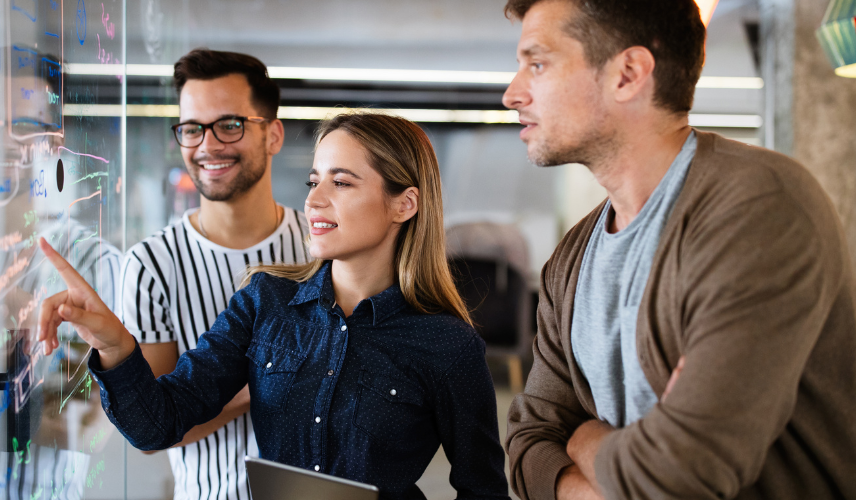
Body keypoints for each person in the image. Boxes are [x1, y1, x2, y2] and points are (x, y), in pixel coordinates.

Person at [499, 1, 856, 499]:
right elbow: (526, 447)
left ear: (628, 74)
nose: (512, 93)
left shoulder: (760, 208)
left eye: (538, 63)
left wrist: (583, 436)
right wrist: (620, 469)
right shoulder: (573, 258)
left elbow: (682, 478)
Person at [37, 112, 511, 500]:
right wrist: (114, 345)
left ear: (404, 205)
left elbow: (482, 490)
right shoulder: (266, 301)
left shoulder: (448, 344)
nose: (315, 199)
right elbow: (158, 425)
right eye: (314, 180)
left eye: (341, 183)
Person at [118, 49, 312, 500]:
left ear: (274, 135)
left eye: (230, 125)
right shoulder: (150, 266)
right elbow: (153, 426)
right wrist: (260, 382)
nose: (207, 146)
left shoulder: (322, 247)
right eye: (192, 129)